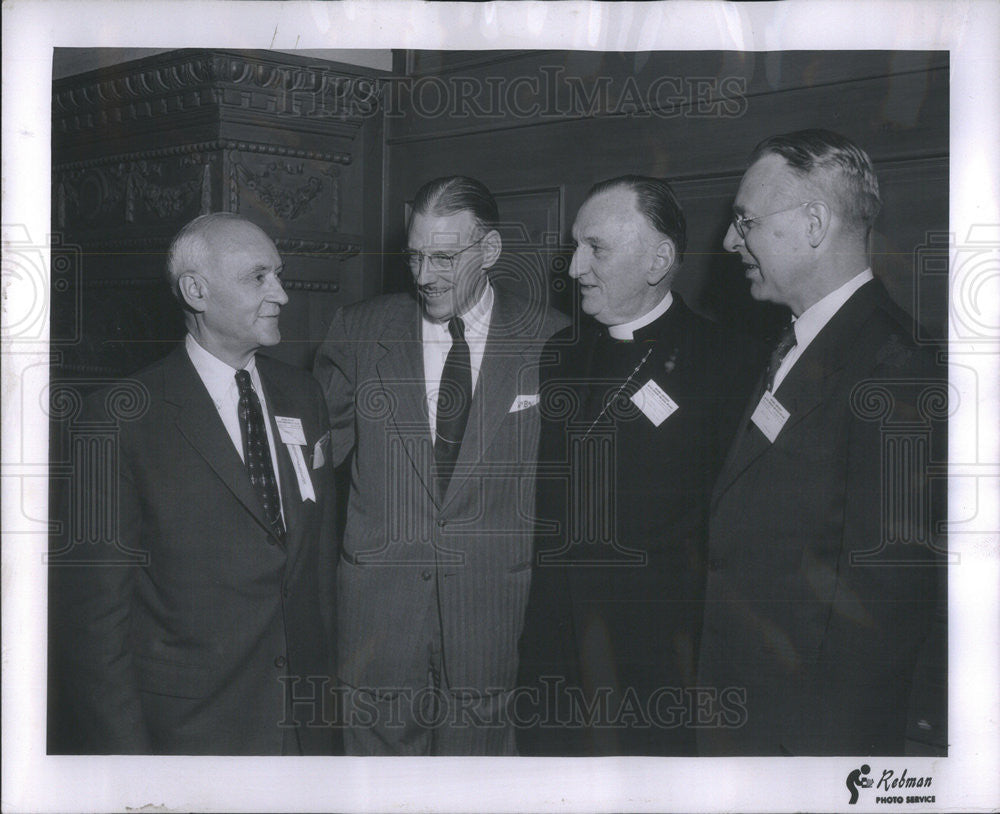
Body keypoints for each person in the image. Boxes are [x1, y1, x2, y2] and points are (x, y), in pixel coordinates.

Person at [696, 129, 947, 755]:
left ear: (814, 223)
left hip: (801, 741)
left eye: (746, 221)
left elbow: (885, 611)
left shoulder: (895, 367)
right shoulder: (791, 342)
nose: (730, 242)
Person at [48, 213, 338, 755]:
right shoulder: (119, 419)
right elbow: (95, 629)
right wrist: (130, 774)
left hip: (303, 729)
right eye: (258, 277)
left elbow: (314, 574)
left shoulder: (303, 395)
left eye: (279, 274)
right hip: (188, 735)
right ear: (196, 291)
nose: (281, 294)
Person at [313, 175, 569, 755]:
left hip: (492, 616)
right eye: (415, 257)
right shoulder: (358, 332)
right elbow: (311, 464)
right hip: (379, 619)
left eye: (445, 258)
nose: (425, 276)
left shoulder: (553, 340)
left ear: (491, 250)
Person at [516, 176, 764, 755]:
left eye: (595, 248)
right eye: (575, 246)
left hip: (656, 657)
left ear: (658, 260)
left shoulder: (729, 363)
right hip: (554, 649)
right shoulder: (560, 354)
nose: (574, 267)